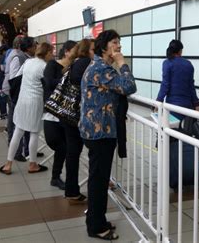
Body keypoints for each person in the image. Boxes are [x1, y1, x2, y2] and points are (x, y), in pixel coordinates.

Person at [80, 30, 136, 240]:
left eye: (119, 42)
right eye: (115, 42)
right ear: (104, 47)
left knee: (99, 180)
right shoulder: (102, 68)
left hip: (96, 130)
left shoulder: (97, 66)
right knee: (98, 181)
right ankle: (95, 226)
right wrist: (123, 63)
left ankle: (97, 220)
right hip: (100, 132)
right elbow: (129, 86)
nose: (119, 46)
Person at [0, 42, 54, 175]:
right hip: (35, 102)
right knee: (34, 133)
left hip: (22, 101)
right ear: (46, 53)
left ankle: (8, 164)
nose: (52, 55)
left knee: (18, 132)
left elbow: (16, 78)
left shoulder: (28, 62)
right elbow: (49, 86)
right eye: (51, 52)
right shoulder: (45, 67)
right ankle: (33, 164)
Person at [42, 40, 77, 190]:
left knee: (66, 148)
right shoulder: (53, 65)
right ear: (67, 51)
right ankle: (56, 177)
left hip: (67, 113)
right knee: (55, 142)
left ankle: (55, 177)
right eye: (75, 50)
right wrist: (65, 79)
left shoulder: (76, 67)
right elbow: (48, 83)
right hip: (52, 111)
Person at [62, 38, 94, 203]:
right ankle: (98, 184)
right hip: (81, 114)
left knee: (72, 153)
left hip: (69, 113)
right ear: (88, 50)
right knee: (94, 152)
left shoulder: (74, 63)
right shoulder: (88, 64)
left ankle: (71, 190)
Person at [156, 40, 199, 120]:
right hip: (188, 105)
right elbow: (191, 86)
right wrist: (196, 104)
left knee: (171, 130)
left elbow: (165, 85)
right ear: (180, 51)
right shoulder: (188, 64)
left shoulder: (167, 63)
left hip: (173, 105)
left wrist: (158, 101)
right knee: (186, 131)